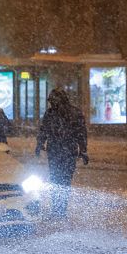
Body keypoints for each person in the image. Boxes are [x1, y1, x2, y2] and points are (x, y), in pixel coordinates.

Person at [35, 88, 88, 218]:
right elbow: (44, 130)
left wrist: (83, 150)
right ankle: (59, 209)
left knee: (60, 180)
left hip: (62, 151)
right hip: (61, 151)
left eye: (53, 101)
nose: (52, 103)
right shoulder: (54, 113)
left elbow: (81, 133)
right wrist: (40, 144)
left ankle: (59, 209)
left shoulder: (68, 113)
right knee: (60, 180)